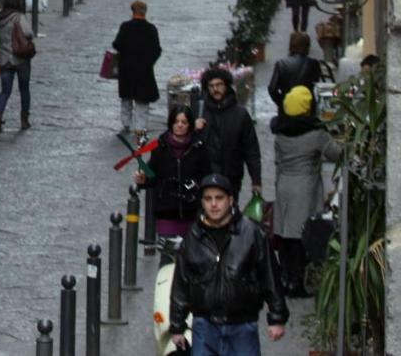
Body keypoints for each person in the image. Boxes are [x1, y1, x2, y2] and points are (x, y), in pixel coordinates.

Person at [169, 174, 288, 353]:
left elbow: (270, 276)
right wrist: (177, 325)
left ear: (230, 200)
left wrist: (277, 318)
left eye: (219, 198)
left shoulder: (252, 233)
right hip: (205, 325)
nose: (214, 204)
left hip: (242, 325)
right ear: (202, 202)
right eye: (208, 199)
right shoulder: (193, 237)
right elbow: (181, 283)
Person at [271, 86, 341, 298]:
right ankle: (299, 281)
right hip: (305, 186)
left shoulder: (280, 132)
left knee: (285, 234)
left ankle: (286, 278)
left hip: (284, 185)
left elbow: (277, 160)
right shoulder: (316, 134)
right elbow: (335, 153)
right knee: (302, 234)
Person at [134, 106, 211, 237]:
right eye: (176, 122)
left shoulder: (199, 148)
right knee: (167, 254)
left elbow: (206, 177)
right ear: (171, 123)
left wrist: (195, 190)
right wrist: (143, 180)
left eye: (184, 122)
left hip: (191, 213)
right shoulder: (160, 147)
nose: (180, 125)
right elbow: (153, 175)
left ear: (189, 125)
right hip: (166, 212)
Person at [199, 66, 263, 200]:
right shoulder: (200, 112)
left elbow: (251, 150)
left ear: (226, 86)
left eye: (219, 85)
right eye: (211, 86)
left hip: (231, 178)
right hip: (204, 177)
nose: (215, 89)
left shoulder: (240, 114)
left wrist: (256, 181)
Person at [111, 0, 161, 141]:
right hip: (144, 70)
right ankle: (140, 127)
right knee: (142, 100)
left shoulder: (125, 27)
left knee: (126, 97)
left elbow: (117, 44)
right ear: (145, 12)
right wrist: (149, 62)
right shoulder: (151, 29)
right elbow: (157, 49)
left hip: (126, 68)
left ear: (133, 11)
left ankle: (126, 124)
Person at [0, 0, 35, 132]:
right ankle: (24, 120)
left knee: (5, 91)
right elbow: (29, 33)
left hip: (4, 59)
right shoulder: (18, 17)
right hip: (21, 59)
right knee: (24, 89)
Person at [268, 31, 320, 117]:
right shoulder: (314, 64)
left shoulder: (281, 64)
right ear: (307, 47)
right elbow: (316, 83)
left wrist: (282, 103)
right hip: (307, 110)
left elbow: (272, 89)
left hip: (287, 112)